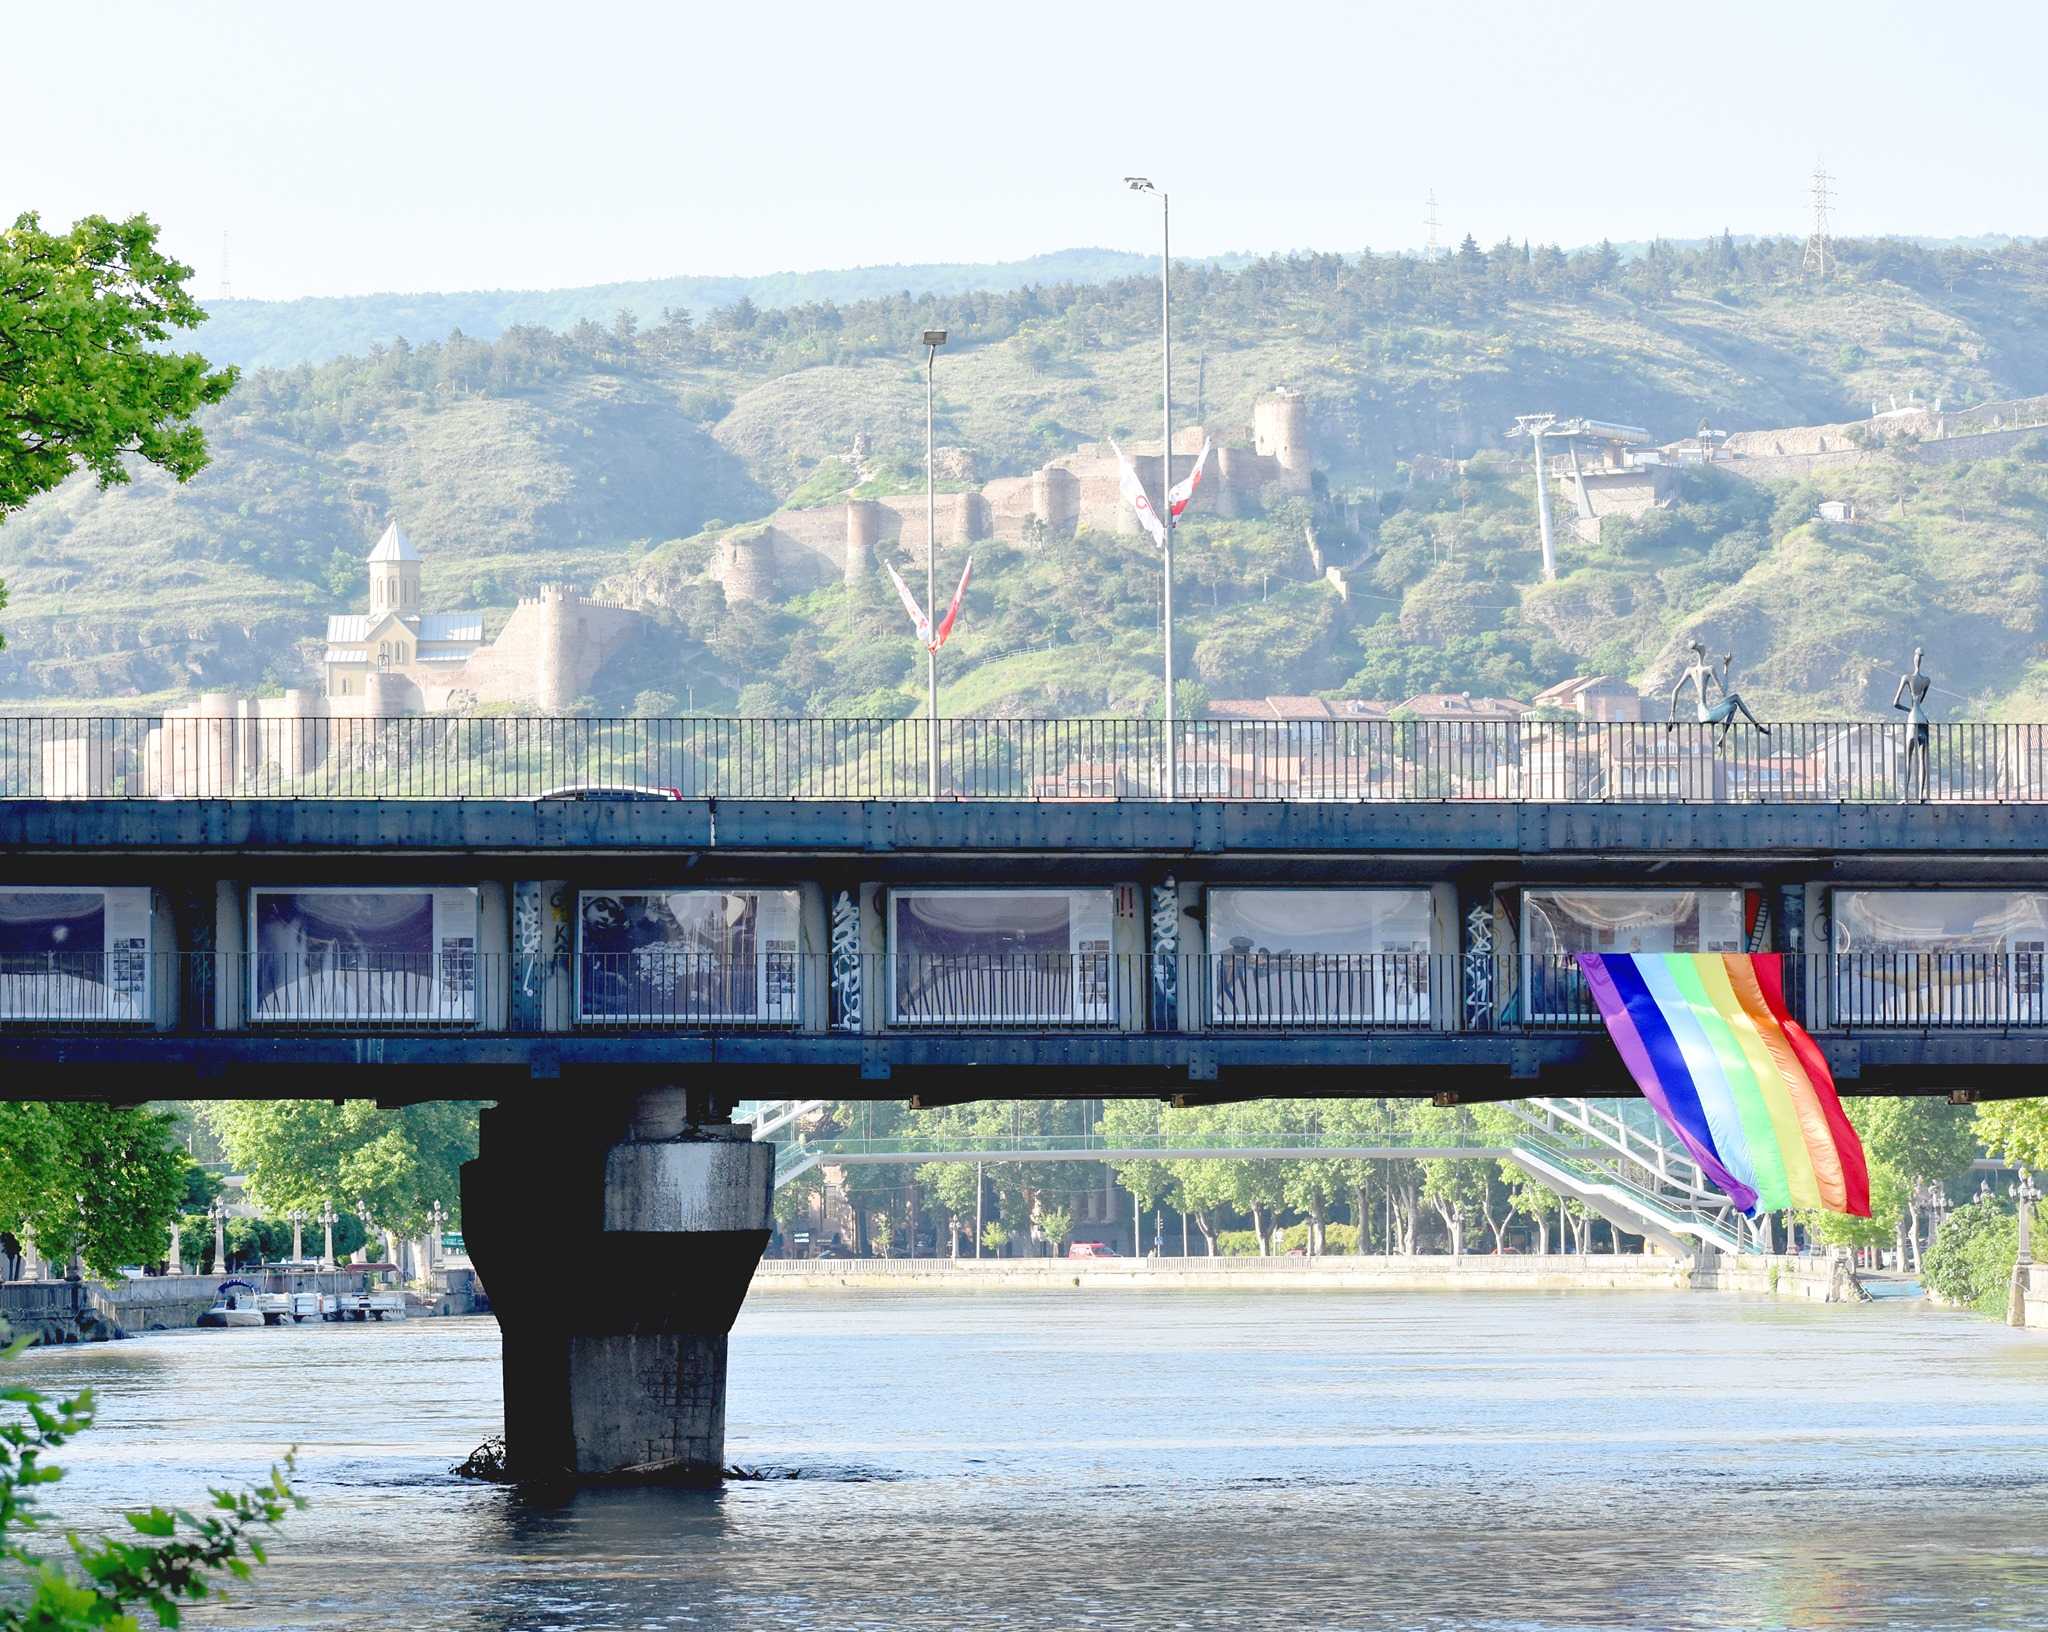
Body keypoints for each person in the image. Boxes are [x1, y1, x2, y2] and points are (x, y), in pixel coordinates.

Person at [1667, 640, 1769, 750]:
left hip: (1701, 714)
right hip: (1708, 715)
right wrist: (1726, 667)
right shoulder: (1709, 669)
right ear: (1703, 652)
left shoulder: (1689, 670)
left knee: (1733, 707)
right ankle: (1756, 725)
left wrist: (1672, 715)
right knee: (1736, 697)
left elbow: (1675, 690)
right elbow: (1723, 691)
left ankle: (1721, 739)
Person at [1893, 646, 1932, 801]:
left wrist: (1908, 710)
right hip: (1923, 720)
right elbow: (1921, 700)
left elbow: (1896, 703)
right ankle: (1922, 795)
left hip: (1912, 719)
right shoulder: (1926, 681)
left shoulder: (1906, 678)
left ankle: (1907, 797)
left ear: (1913, 659)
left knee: (1909, 758)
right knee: (1923, 761)